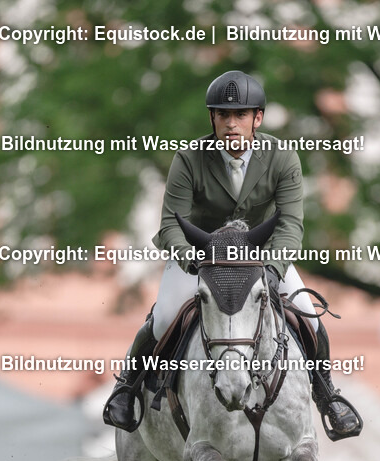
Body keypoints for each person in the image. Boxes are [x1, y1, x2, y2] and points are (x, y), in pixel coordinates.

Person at [104, 70, 362, 440]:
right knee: (162, 318)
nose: (231, 123)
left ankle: (327, 396)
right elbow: (169, 226)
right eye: (223, 115)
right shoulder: (189, 158)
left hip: (258, 260)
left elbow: (290, 226)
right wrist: (191, 259)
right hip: (201, 259)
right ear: (212, 118)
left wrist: (272, 269)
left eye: (240, 115)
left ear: (257, 118)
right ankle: (127, 389)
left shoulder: (282, 159)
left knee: (311, 319)